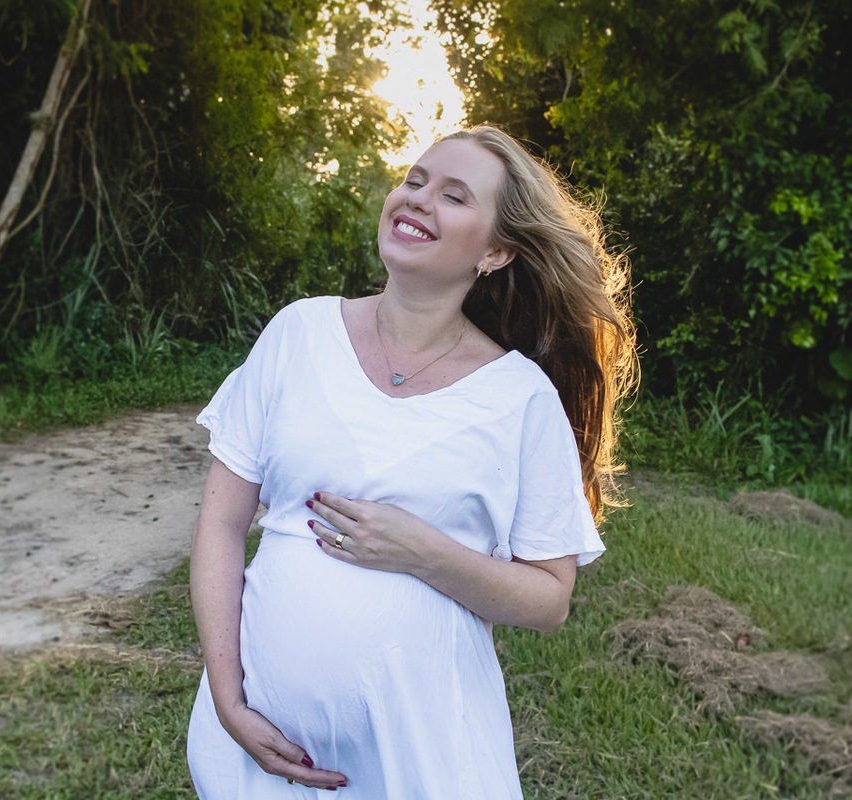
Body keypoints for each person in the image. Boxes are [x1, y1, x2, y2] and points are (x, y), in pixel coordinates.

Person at [185, 125, 636, 798]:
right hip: (260, 753)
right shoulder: (298, 334)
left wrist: (426, 554)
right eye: (415, 181)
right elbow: (221, 526)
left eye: (454, 196)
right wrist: (229, 700)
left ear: (496, 250)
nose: (418, 200)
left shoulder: (519, 398)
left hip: (425, 759)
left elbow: (550, 600)